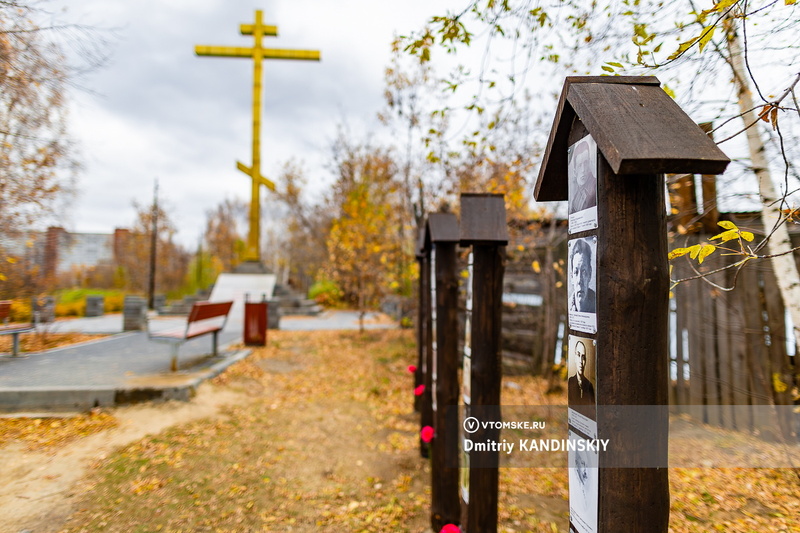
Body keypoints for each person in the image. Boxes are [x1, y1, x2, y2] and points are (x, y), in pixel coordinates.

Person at [569, 138, 597, 214]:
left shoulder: (595, 187)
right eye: (579, 165)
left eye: (586, 163)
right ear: (575, 171)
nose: (583, 170)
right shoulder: (575, 197)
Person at [569, 239, 596, 313]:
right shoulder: (568, 307)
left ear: (590, 274)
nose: (579, 280)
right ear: (571, 277)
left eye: (584, 271)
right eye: (576, 272)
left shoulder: (598, 305)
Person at [568, 340, 595, 406]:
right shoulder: (571, 381)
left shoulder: (589, 386)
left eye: (583, 357)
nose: (581, 361)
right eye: (578, 355)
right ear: (574, 357)